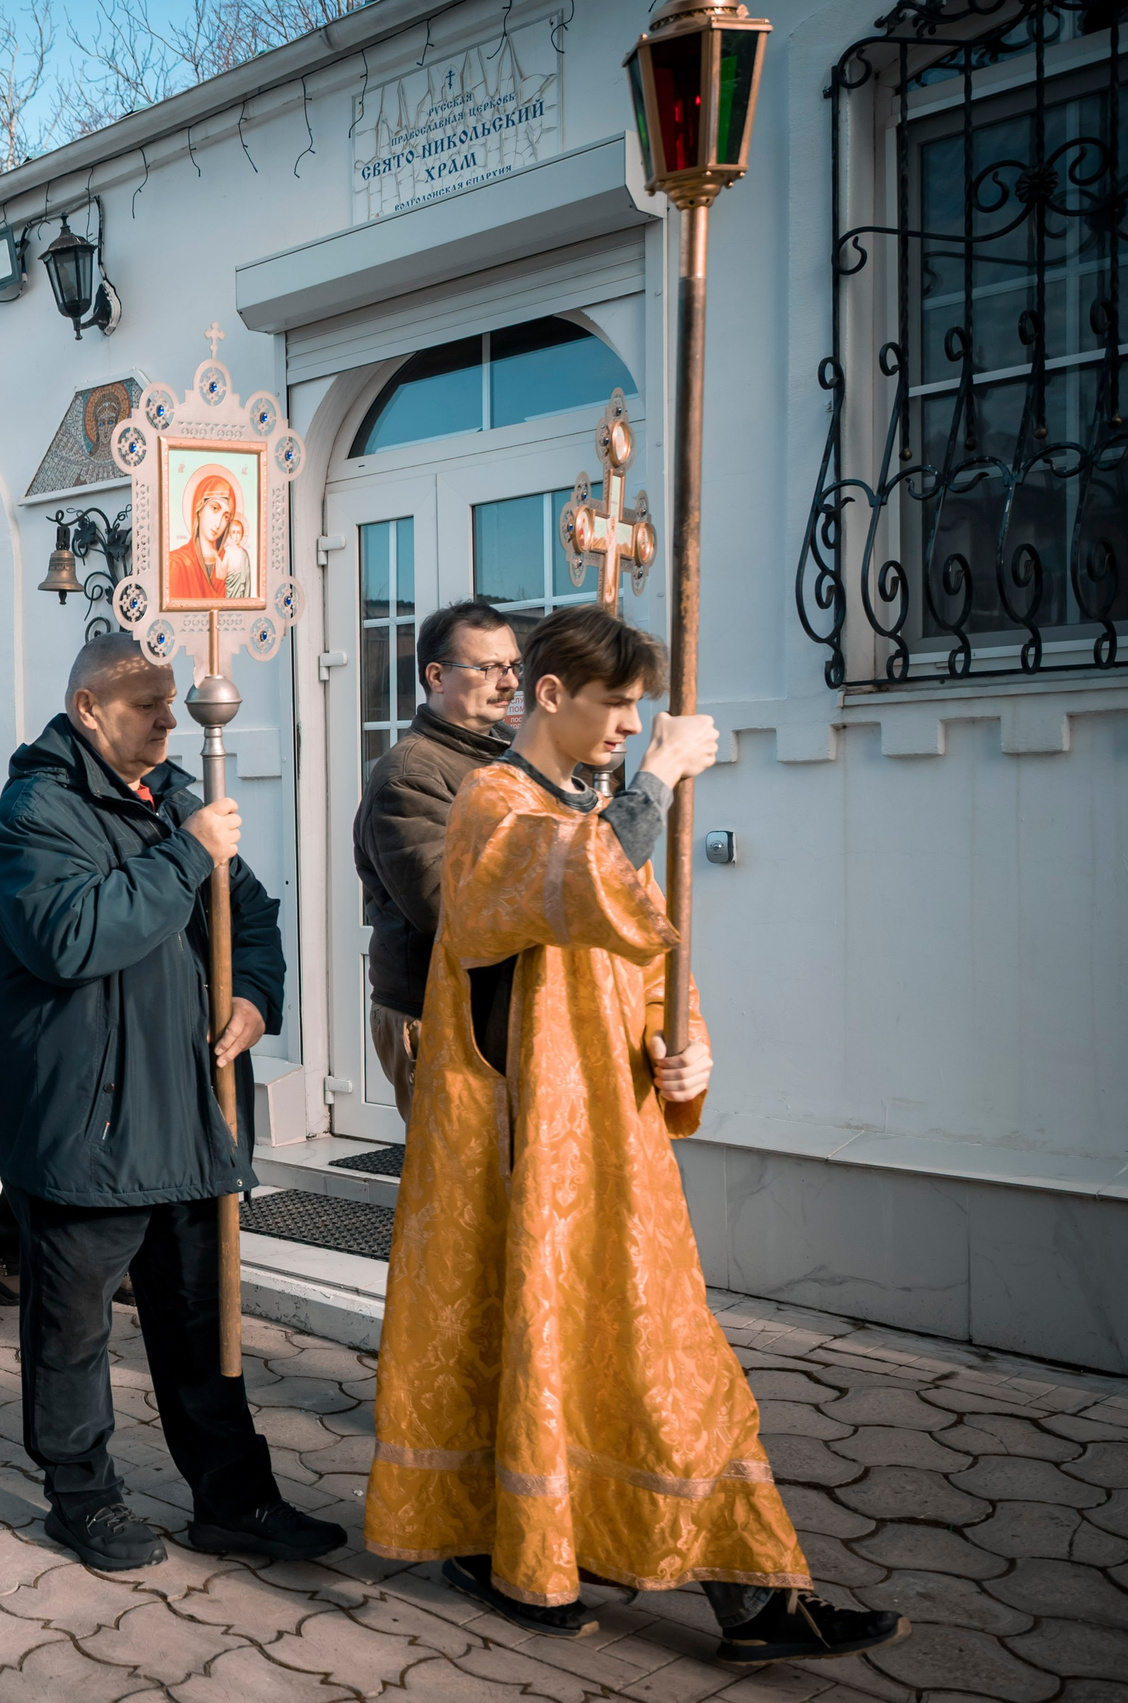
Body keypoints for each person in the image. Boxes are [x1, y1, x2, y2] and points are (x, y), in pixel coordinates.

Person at [366, 605, 910, 1664]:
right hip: (523, 1142)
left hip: (610, 1132)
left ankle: (730, 1590)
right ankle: (571, 1561)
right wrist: (657, 780)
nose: (630, 721)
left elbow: (651, 949)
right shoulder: (489, 800)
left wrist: (688, 1047)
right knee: (584, 1348)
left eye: (639, 706)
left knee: (650, 1350)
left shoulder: (583, 804)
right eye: (614, 702)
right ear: (554, 695)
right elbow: (565, 894)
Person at [0, 633, 345, 1573]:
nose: (171, 721)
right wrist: (186, 855)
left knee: (199, 1317)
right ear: (91, 707)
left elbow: (249, 914)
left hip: (189, 1107)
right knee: (74, 1328)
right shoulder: (32, 813)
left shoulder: (176, 795)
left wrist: (257, 997)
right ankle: (82, 1494)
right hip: (88, 1120)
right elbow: (72, 936)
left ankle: (233, 1498)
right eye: (149, 706)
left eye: (176, 705)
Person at [351, 600, 520, 1119]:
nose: (509, 681)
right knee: (457, 1192)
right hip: (438, 1014)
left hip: (499, 1008)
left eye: (514, 665)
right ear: (437, 676)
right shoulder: (409, 774)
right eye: (489, 668)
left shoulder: (512, 752)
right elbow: (450, 908)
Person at [162, 473, 251, 603]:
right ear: (199, 508)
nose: (218, 523)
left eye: (226, 517)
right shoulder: (176, 564)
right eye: (215, 508)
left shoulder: (234, 559)